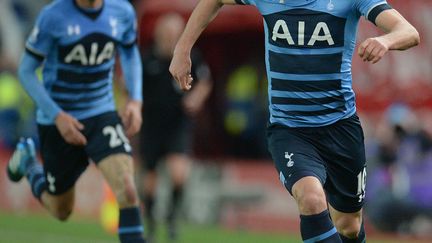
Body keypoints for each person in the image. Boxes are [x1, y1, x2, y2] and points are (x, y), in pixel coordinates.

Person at [169, 0, 420, 242]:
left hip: (340, 127)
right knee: (311, 199)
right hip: (289, 129)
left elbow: (408, 32)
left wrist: (385, 41)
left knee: (349, 225)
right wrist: (182, 49)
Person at [6, 0, 146, 242]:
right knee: (61, 210)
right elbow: (26, 71)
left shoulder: (121, 11)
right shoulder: (54, 16)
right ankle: (29, 165)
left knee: (128, 190)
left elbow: (130, 51)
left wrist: (135, 100)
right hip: (59, 118)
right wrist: (57, 116)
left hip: (101, 112)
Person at [139, 13, 212, 242]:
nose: (172, 38)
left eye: (175, 33)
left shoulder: (190, 57)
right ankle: (150, 225)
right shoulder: (147, 59)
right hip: (151, 125)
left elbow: (205, 81)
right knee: (150, 182)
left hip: (177, 124)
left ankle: (171, 220)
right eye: (168, 33)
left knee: (179, 174)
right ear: (159, 34)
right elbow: (132, 88)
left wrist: (195, 99)